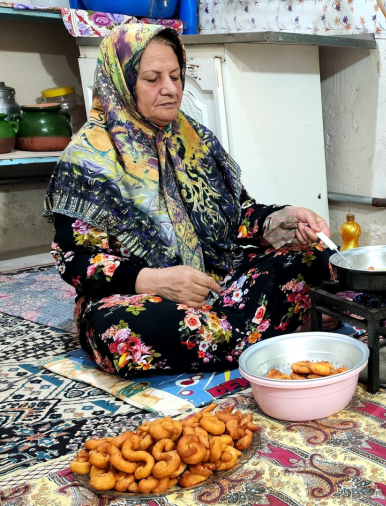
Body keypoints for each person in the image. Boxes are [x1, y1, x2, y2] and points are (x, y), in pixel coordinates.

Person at [45, 25, 334, 378]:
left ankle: (246, 334)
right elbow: (76, 260)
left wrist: (283, 219)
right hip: (141, 295)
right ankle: (279, 329)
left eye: (176, 76)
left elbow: (237, 214)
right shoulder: (87, 160)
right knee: (121, 331)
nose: (169, 89)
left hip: (221, 279)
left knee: (318, 257)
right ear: (120, 83)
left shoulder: (194, 137)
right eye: (152, 78)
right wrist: (153, 280)